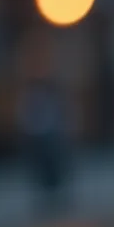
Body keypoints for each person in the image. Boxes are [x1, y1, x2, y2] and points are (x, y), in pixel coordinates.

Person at [18, 77, 70, 212]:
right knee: (41, 173)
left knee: (54, 171)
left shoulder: (52, 101)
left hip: (50, 140)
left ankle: (55, 197)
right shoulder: (32, 100)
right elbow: (27, 121)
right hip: (39, 141)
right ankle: (45, 198)